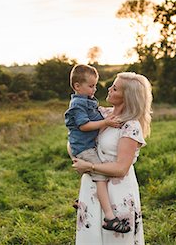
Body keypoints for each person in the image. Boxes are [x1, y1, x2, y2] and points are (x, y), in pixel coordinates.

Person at [71, 72, 152, 245]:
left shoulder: (130, 126)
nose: (108, 89)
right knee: (90, 238)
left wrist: (90, 166)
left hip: (117, 191)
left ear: (127, 97)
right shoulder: (101, 114)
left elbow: (121, 168)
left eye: (114, 88)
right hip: (92, 187)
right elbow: (76, 132)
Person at [64, 64, 131, 234]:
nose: (95, 89)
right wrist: (106, 122)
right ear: (77, 86)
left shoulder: (87, 101)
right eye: (91, 86)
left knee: (96, 171)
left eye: (95, 85)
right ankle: (110, 218)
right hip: (84, 147)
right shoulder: (78, 104)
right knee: (100, 176)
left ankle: (84, 199)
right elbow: (84, 125)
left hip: (84, 146)